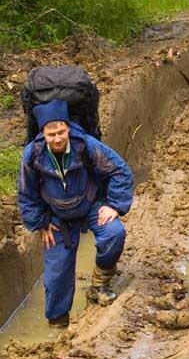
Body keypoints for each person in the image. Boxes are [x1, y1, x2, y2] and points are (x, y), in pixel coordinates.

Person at [17, 99, 134, 328]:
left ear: (68, 128)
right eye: (52, 134)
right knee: (56, 275)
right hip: (57, 217)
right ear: (43, 134)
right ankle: (58, 326)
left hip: (90, 205)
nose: (58, 138)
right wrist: (40, 222)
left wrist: (114, 205)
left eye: (61, 132)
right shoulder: (33, 155)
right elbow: (26, 193)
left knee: (114, 233)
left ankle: (99, 284)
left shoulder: (86, 146)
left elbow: (120, 171)